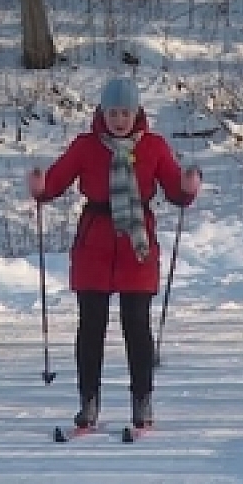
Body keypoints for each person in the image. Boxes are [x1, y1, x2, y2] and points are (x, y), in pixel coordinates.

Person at [28, 77, 201, 429]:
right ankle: (88, 402)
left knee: (136, 326)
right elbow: (56, 181)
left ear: (136, 112)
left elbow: (173, 189)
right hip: (95, 243)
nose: (118, 120)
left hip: (137, 246)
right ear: (102, 112)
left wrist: (187, 187)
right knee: (90, 327)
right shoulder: (86, 146)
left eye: (125, 112)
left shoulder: (154, 146)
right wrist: (40, 186)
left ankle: (142, 399)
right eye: (112, 112)